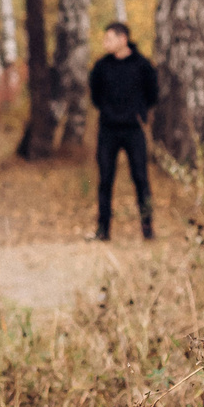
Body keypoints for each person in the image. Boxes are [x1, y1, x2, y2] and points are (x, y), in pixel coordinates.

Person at [89, 20, 159, 241]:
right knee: (105, 180)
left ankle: (147, 229)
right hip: (108, 131)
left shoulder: (142, 65)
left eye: (108, 38)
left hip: (133, 130)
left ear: (123, 39)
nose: (104, 43)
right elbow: (95, 95)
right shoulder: (101, 67)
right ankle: (103, 230)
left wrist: (138, 112)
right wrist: (109, 112)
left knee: (140, 179)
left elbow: (153, 93)